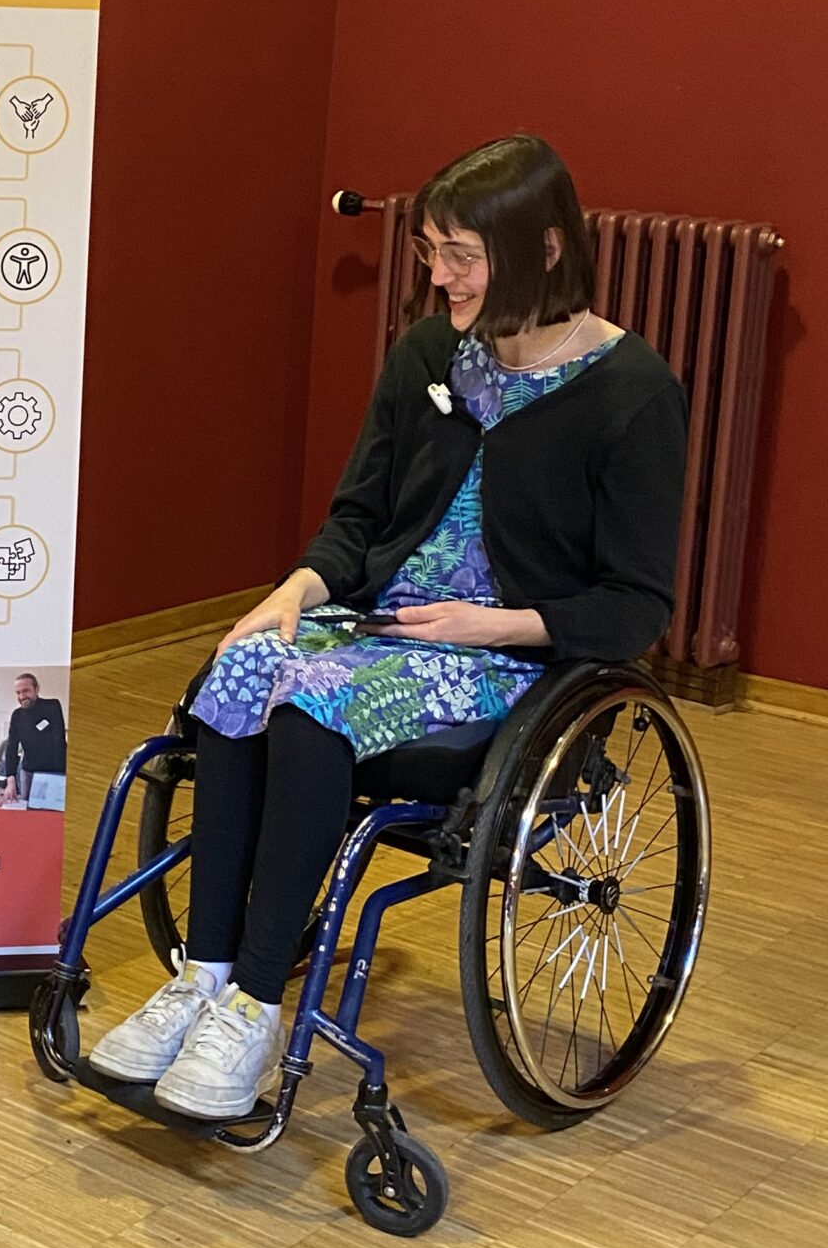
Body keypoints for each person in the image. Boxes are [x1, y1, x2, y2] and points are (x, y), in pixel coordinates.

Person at [91, 134, 687, 1122]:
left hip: (504, 662)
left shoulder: (631, 393)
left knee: (310, 709)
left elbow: (636, 604)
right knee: (238, 672)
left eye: (462, 256)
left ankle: (254, 1008)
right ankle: (204, 977)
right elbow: (360, 515)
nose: (440, 277)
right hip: (375, 625)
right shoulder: (427, 355)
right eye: (432, 252)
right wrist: (295, 589)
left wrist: (492, 623)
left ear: (543, 250)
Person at [0, 672, 67, 809]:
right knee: (28, 811)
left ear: (36, 689)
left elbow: (58, 741)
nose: (22, 696)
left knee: (53, 811)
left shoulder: (52, 706)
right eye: (18, 693)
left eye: (26, 691)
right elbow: (11, 748)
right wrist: (10, 781)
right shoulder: (17, 715)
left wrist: (60, 776)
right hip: (29, 772)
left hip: (53, 771)